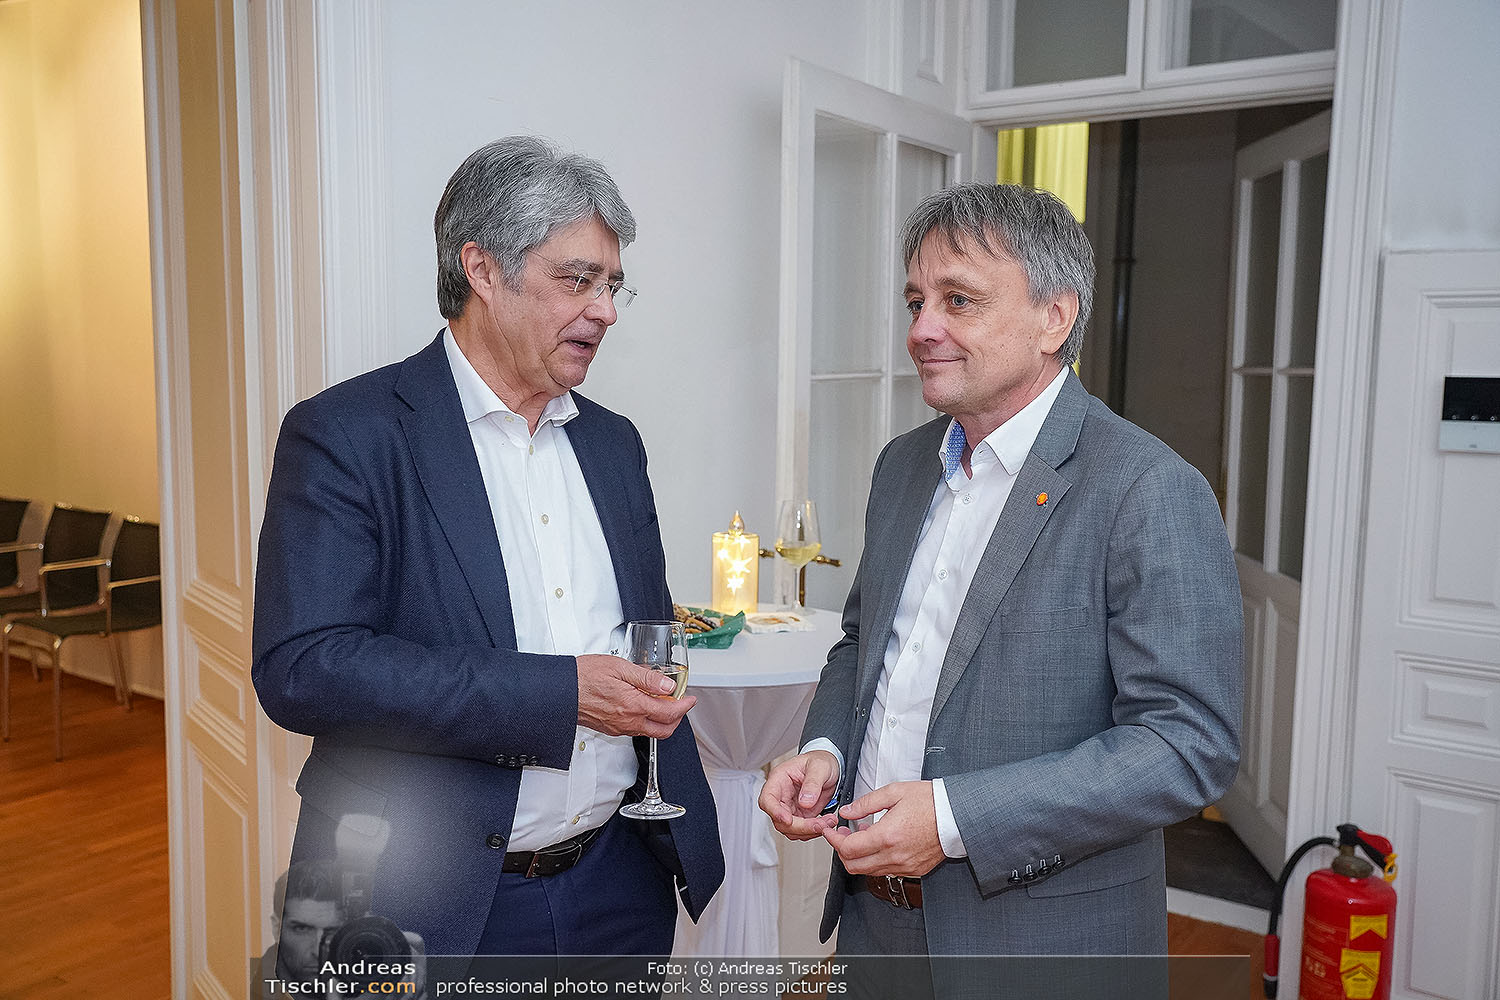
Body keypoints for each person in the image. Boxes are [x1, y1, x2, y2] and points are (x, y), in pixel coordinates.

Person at [252, 136, 724, 961]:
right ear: (482, 269)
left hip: (620, 882)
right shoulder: (348, 435)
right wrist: (562, 694)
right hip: (425, 898)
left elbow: (642, 630)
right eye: (577, 279)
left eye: (613, 285)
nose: (606, 311)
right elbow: (305, 669)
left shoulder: (614, 444)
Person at [760, 183, 1242, 986]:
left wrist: (952, 820)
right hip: (874, 927)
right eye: (916, 301)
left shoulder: (1148, 488)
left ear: (1054, 318)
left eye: (959, 300)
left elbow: (1185, 746)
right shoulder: (902, 465)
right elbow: (862, 643)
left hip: (1040, 946)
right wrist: (826, 749)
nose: (922, 329)